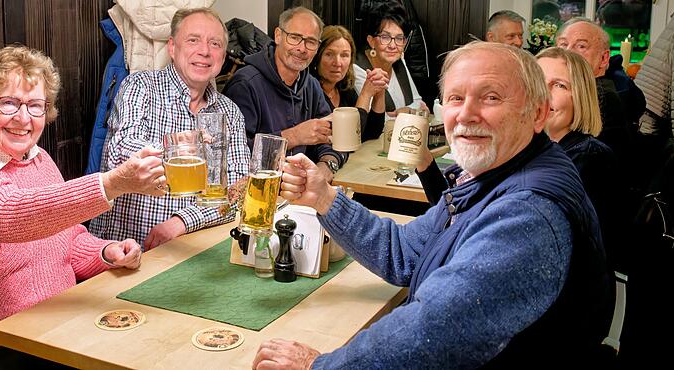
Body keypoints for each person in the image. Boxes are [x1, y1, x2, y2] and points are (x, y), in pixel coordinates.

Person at [253, 41, 613, 368]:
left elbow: (434, 332)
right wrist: (325, 198)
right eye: (456, 98)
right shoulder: (490, 174)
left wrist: (320, 367)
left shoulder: (526, 212)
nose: (467, 114)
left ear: (537, 114)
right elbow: (405, 253)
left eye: (491, 97)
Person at [0, 46, 164, 369]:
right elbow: (7, 213)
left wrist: (106, 252)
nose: (23, 118)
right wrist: (111, 183)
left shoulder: (39, 160)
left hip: (49, 334)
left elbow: (66, 239)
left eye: (35, 106)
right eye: (9, 103)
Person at [89, 7, 249, 250]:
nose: (204, 51)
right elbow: (120, 150)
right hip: (123, 251)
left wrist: (182, 221)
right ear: (172, 48)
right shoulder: (140, 86)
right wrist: (176, 149)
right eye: (193, 40)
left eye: (214, 43)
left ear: (223, 56)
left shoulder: (229, 113)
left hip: (192, 252)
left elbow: (238, 192)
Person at [222, 6, 344, 180]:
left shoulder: (311, 85)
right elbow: (233, 155)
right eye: (295, 38)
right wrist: (293, 136)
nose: (302, 48)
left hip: (299, 191)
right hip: (257, 194)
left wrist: (325, 167)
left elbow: (333, 139)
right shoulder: (245, 84)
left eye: (311, 42)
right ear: (278, 36)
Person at [536, 47, 624, 271]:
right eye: (537, 81)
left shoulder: (590, 157)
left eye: (559, 85)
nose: (544, 93)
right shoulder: (530, 151)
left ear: (581, 96)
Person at [556, 18, 645, 157]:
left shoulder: (601, 98)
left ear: (604, 58)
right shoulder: (580, 88)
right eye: (563, 44)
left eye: (581, 46)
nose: (568, 52)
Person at [310, 25, 389, 141]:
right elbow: (348, 138)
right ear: (317, 57)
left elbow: (372, 132)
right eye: (329, 54)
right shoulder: (311, 90)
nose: (338, 63)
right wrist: (365, 95)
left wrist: (379, 90)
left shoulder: (344, 89)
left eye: (344, 55)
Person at [354, 0, 427, 115]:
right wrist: (411, 112)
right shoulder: (358, 68)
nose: (393, 46)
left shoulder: (398, 59)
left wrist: (406, 111)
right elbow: (373, 119)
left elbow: (419, 103)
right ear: (371, 41)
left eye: (399, 38)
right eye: (385, 37)